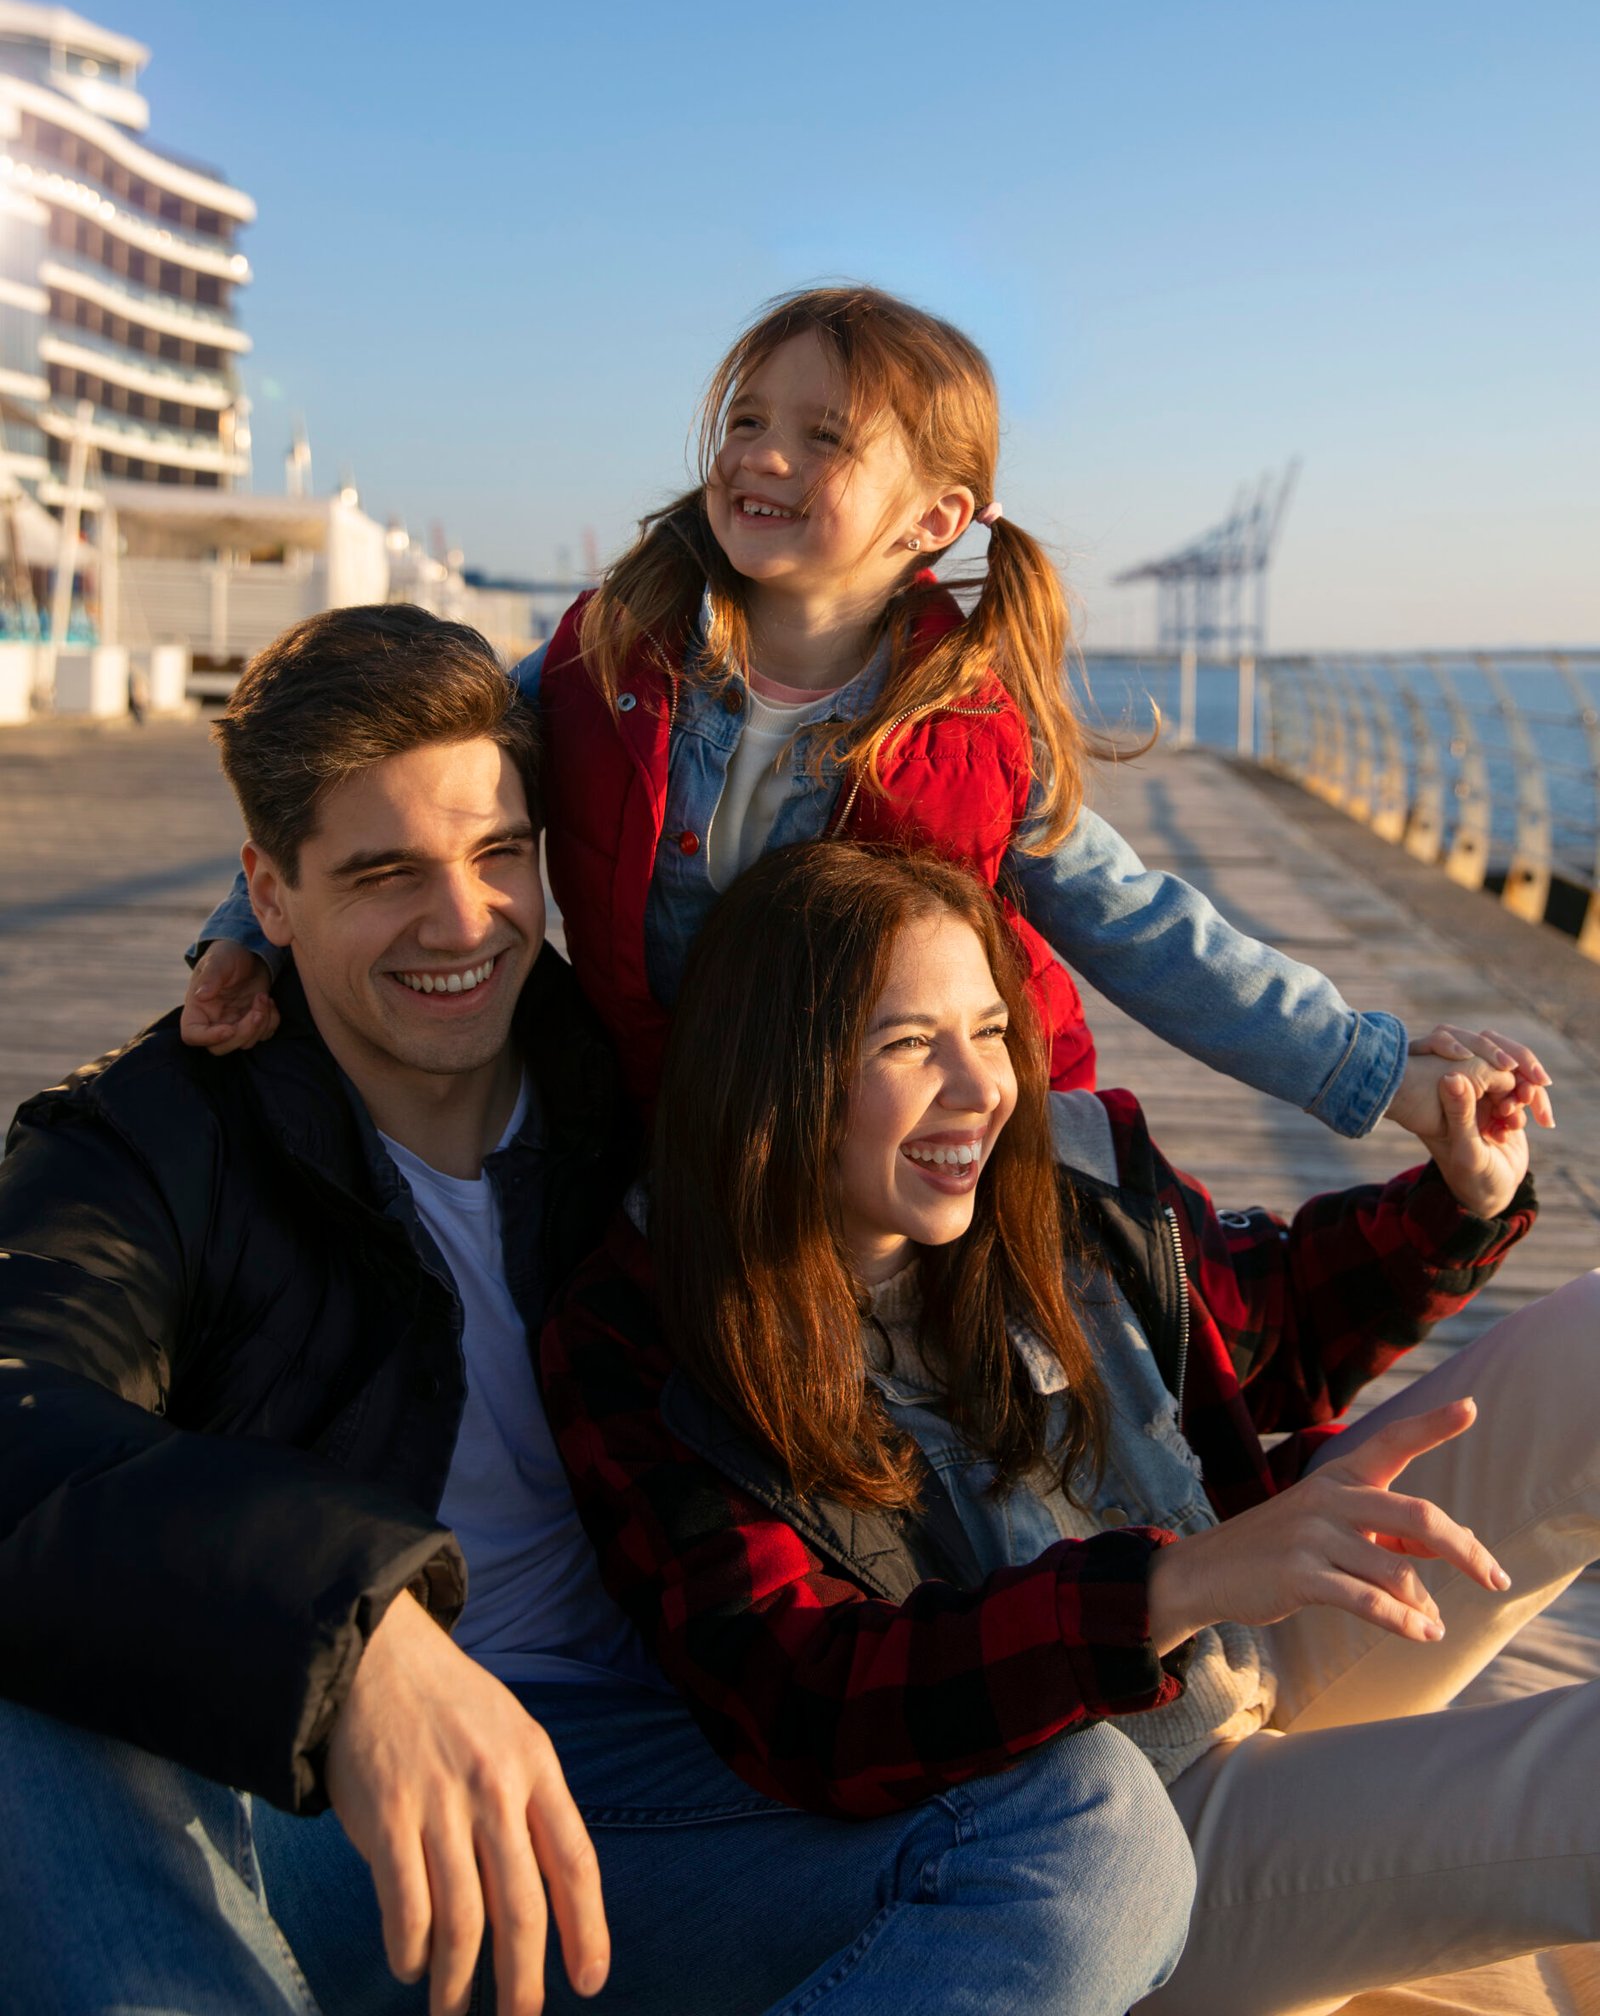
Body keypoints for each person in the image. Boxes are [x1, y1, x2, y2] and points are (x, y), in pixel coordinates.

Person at [0, 606, 1198, 2016]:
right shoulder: (148, 1138)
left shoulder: (638, 1092)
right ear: (266, 894)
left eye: (499, 856)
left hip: (633, 1788)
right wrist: (359, 1636)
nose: (463, 922)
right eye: (385, 873)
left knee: (1092, 1829)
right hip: (295, 1802)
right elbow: (24, 1406)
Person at [541, 841, 1600, 2014]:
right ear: (780, 1074)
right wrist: (1166, 1590)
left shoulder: (1064, 1170)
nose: (978, 1087)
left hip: (1250, 1642)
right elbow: (803, 1699)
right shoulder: (655, 1333)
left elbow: (1268, 1327)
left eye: (989, 1030)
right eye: (905, 1044)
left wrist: (1457, 1198)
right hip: (1133, 1826)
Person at [180, 285, 1554, 1140]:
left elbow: (1146, 926)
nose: (762, 455)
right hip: (655, 1132)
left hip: (890, 1159)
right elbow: (413, 782)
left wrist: (1366, 1067)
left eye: (824, 437)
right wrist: (252, 930)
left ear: (938, 519)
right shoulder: (612, 656)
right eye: (746, 420)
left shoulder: (977, 736)